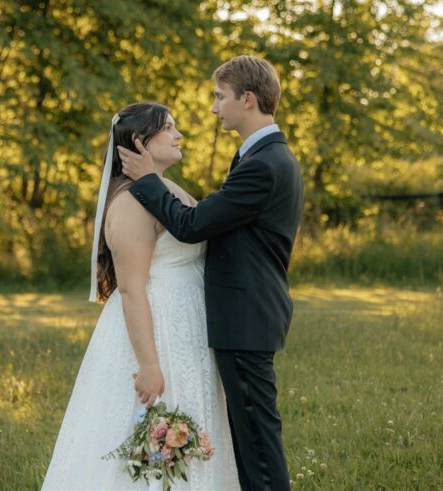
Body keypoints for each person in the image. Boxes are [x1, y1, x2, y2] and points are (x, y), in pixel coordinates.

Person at [117, 56, 303, 491]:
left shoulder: (263, 164)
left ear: (248, 98)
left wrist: (147, 180)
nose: (215, 108)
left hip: (246, 318)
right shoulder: (263, 156)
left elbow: (192, 225)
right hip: (248, 316)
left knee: (258, 448)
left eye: (220, 97)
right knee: (252, 442)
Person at [42, 102, 240, 490]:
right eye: (168, 128)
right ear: (138, 141)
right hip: (157, 330)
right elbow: (132, 288)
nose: (179, 134)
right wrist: (149, 365)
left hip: (185, 331)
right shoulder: (131, 202)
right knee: (149, 449)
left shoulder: (164, 188)